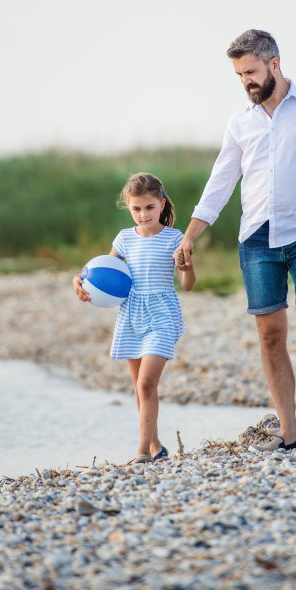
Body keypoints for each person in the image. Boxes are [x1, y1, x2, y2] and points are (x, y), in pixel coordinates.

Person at [174, 29, 296, 452]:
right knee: (271, 335)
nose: (246, 82)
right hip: (256, 239)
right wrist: (189, 236)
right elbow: (219, 185)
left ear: (275, 63)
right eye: (239, 75)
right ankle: (289, 434)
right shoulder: (240, 123)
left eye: (251, 71)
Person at [73, 172, 196, 463]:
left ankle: (141, 452)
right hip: (131, 314)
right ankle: (155, 446)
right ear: (128, 207)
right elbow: (100, 273)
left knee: (146, 384)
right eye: (136, 208)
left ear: (162, 204)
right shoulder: (125, 238)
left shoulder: (175, 238)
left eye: (150, 207)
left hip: (162, 314)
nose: (143, 215)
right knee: (139, 388)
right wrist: (77, 281)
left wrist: (186, 264)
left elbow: (188, 284)